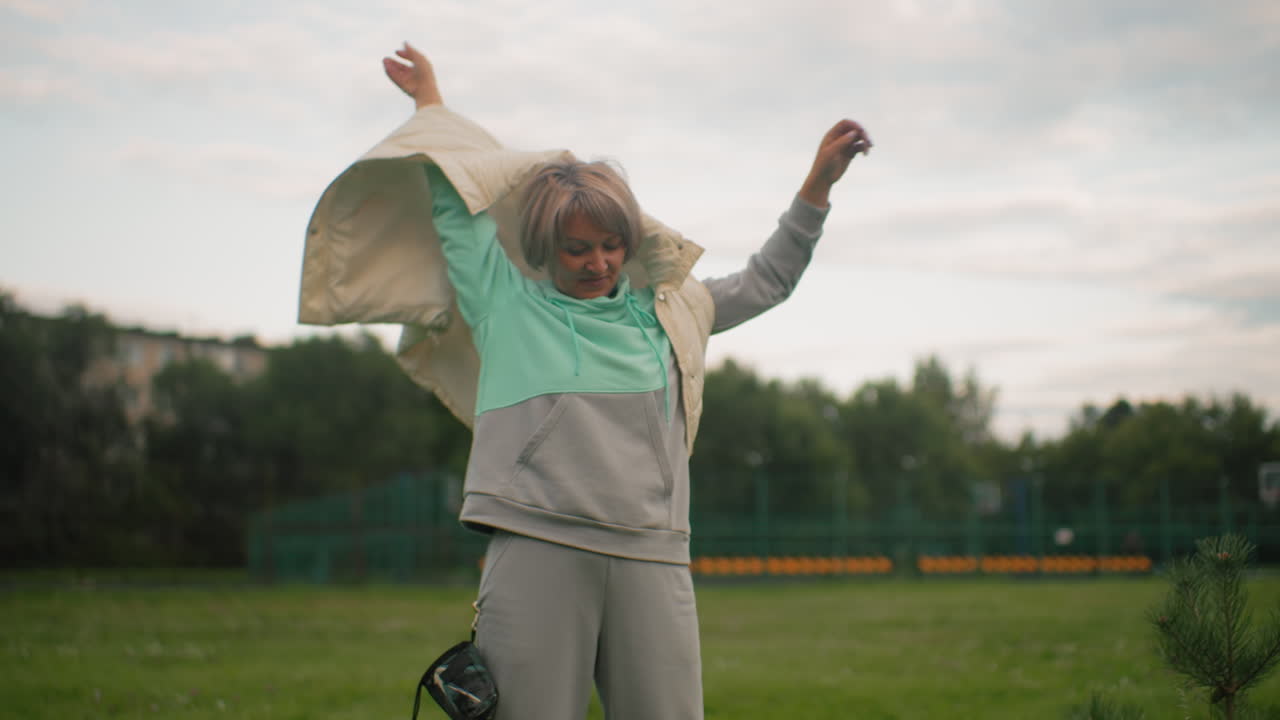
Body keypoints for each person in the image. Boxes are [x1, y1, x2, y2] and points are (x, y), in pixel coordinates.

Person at [349, 41, 864, 720]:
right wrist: (431, 104)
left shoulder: (671, 313)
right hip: (538, 548)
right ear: (545, 246)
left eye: (611, 244)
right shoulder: (507, 307)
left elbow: (767, 280)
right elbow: (456, 207)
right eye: (577, 247)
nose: (598, 261)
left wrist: (817, 186)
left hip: (653, 554)